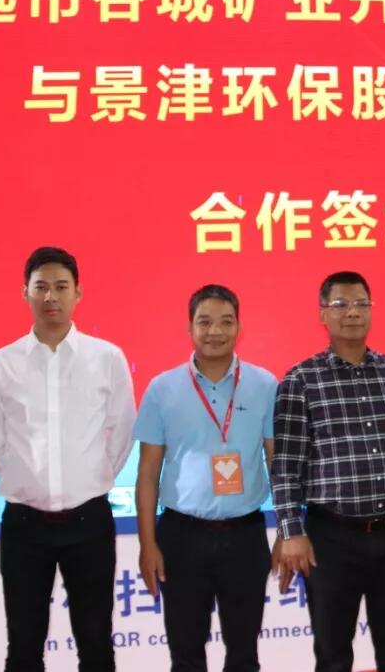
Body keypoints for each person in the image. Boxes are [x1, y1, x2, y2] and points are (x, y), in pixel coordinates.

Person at [0, 246, 136, 672]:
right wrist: (29, 480)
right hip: (24, 525)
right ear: (25, 292)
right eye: (41, 287)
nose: (51, 296)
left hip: (90, 521)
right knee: (23, 647)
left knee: (96, 645)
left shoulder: (107, 358)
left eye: (61, 287)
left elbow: (121, 431)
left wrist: (91, 477)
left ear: (77, 293)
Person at [272, 271, 385, 672]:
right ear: (323, 314)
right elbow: (285, 466)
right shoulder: (301, 380)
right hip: (330, 538)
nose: (352, 312)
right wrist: (291, 531)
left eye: (360, 304)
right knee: (333, 653)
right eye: (340, 305)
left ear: (371, 311)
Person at [134, 284, 277, 672]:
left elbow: (277, 463)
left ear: (239, 327)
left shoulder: (265, 385)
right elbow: (147, 473)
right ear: (189, 328)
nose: (215, 331)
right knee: (185, 656)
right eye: (205, 322)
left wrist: (287, 530)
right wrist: (148, 544)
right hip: (181, 537)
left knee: (244, 655)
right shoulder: (162, 389)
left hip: (245, 536)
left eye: (226, 322)